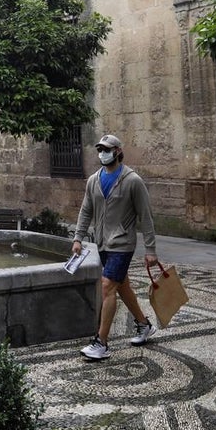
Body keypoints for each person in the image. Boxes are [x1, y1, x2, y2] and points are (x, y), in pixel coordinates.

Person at [72, 134, 159, 360]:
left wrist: (150, 250)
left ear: (118, 151)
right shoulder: (94, 180)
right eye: (100, 149)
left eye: (107, 149)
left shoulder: (133, 181)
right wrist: (78, 238)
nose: (103, 153)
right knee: (122, 286)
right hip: (102, 242)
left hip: (122, 243)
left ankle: (101, 343)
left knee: (107, 286)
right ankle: (144, 324)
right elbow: (86, 210)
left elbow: (146, 216)